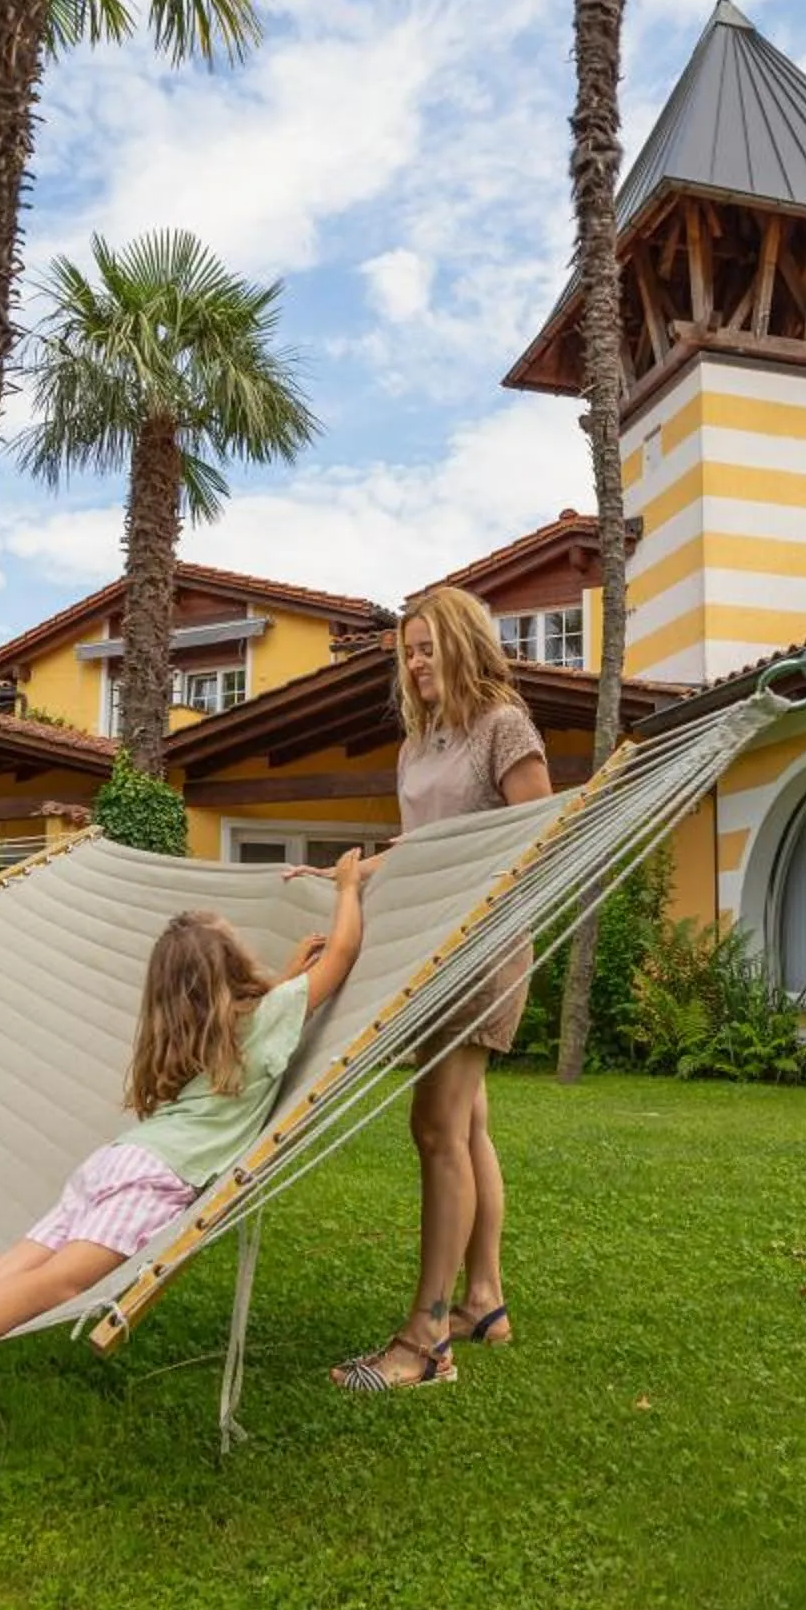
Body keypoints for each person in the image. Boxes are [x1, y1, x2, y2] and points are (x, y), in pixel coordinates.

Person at [0, 855, 367, 1520]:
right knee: (59, 1283)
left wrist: (285, 977)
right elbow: (344, 952)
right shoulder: (266, 1016)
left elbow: (248, 1019)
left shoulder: (214, 1030)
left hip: (114, 1163)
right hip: (160, 1174)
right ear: (232, 967)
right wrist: (344, 888)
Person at [308, 587, 552, 1392]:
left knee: (436, 1128)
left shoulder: (502, 726)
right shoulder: (419, 749)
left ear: (461, 644)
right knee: (469, 1122)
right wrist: (347, 873)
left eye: (426, 647)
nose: (414, 664)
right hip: (429, 946)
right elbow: (421, 848)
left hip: (480, 948)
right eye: (406, 652)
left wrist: (478, 903)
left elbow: (541, 834)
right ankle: (483, 1301)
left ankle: (426, 1341)